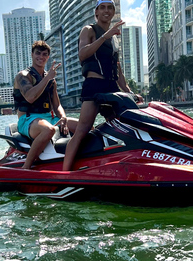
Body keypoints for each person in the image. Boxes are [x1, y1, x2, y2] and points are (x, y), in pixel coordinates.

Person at [63, 0, 141, 171]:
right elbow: (82, 54)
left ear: (113, 12)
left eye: (110, 8)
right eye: (103, 8)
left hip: (112, 88)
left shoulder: (114, 37)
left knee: (124, 126)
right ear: (96, 12)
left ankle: (124, 165)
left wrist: (128, 91)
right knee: (82, 130)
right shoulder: (89, 30)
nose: (107, 11)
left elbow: (117, 67)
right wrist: (105, 36)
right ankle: (65, 172)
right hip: (94, 85)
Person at [13, 40, 78, 169]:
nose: (41, 57)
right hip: (28, 119)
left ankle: (80, 160)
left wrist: (63, 117)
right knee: (49, 130)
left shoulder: (50, 79)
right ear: (32, 54)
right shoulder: (23, 76)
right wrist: (47, 78)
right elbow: (30, 97)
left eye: (44, 54)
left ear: (48, 57)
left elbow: (57, 105)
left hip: (48, 117)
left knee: (85, 127)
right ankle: (26, 168)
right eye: (38, 53)